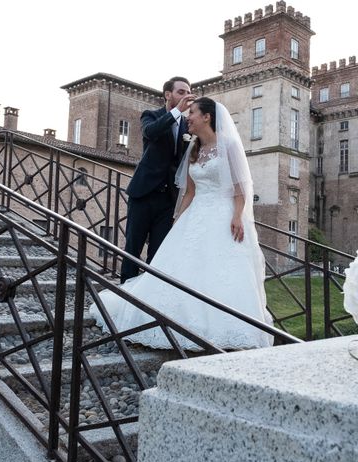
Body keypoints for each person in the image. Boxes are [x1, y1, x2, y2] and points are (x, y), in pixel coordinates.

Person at [90, 97, 273, 351]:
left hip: (223, 214)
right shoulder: (193, 148)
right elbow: (189, 192)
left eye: (193, 113)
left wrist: (237, 215)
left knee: (221, 269)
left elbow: (241, 187)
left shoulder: (229, 145)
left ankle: (229, 327)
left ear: (207, 117)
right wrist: (177, 221)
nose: (189, 118)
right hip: (196, 214)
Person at [120, 76, 197, 283]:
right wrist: (175, 113)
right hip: (143, 194)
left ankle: (148, 301)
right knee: (132, 249)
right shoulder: (151, 116)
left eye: (188, 92)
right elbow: (150, 133)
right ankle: (124, 296)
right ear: (168, 95)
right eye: (181, 92)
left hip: (168, 200)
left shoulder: (187, 126)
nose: (186, 96)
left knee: (158, 254)